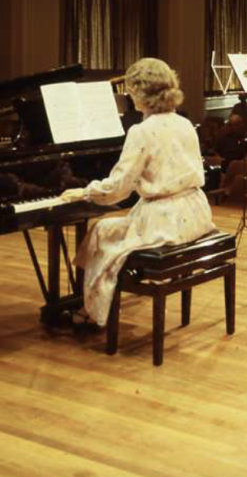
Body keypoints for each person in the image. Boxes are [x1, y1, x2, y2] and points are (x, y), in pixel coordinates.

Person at [61, 58, 214, 326]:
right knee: (107, 230)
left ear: (141, 92)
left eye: (131, 90)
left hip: (164, 220)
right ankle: (94, 300)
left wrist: (84, 192)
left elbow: (116, 190)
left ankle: (93, 310)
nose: (129, 96)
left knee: (100, 231)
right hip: (195, 212)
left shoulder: (142, 131)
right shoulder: (184, 123)